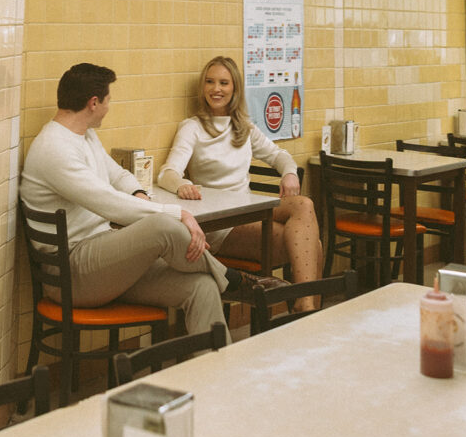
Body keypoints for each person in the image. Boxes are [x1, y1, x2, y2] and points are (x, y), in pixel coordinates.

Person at [20, 63, 285, 342]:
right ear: (93, 103)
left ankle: (214, 377)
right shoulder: (54, 148)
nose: (110, 107)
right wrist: (177, 213)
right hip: (73, 273)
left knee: (202, 286)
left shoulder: (84, 134)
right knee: (162, 225)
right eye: (108, 100)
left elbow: (117, 175)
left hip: (106, 263)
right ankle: (235, 281)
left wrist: (139, 194)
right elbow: (108, 203)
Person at [158, 56, 323, 312]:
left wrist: (289, 173)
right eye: (210, 82)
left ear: (235, 88)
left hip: (248, 211)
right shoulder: (192, 127)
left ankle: (306, 307)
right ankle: (308, 311)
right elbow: (167, 173)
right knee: (312, 244)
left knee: (304, 205)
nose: (216, 89)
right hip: (221, 226)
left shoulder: (243, 127)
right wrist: (181, 184)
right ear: (202, 87)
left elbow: (279, 155)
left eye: (224, 83)